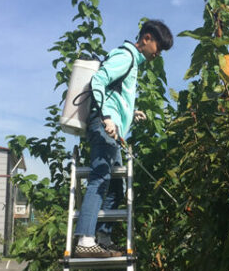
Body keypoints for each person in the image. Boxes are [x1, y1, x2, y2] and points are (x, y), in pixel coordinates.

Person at [73, 20, 173, 257]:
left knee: (117, 187)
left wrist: (131, 111)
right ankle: (85, 240)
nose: (158, 54)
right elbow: (98, 81)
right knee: (100, 178)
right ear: (147, 38)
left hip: (114, 130)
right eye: (158, 46)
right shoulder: (126, 56)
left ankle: (103, 238)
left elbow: (115, 93)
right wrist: (107, 117)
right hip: (104, 126)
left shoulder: (133, 63)